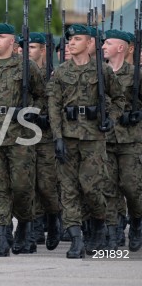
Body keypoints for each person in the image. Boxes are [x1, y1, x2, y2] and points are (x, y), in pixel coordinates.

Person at [47, 24, 125, 258]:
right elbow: (54, 107)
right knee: (68, 190)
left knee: (91, 188)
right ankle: (76, 239)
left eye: (77, 39)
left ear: (90, 44)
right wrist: (57, 137)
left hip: (93, 137)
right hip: (68, 137)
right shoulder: (60, 72)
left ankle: (99, 225)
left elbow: (119, 99)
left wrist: (110, 119)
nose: (71, 43)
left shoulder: (103, 71)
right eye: (69, 40)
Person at [0, 23, 45, 257]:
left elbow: (43, 96)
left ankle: (24, 225)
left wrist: (30, 113)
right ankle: (2, 236)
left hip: (20, 136)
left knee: (22, 187)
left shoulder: (27, 67)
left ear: (13, 42)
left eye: (1, 37)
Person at [102, 29, 142, 252]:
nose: (103, 46)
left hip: (131, 139)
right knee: (109, 187)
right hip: (105, 138)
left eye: (108, 43)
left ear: (121, 47)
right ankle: (114, 228)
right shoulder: (99, 73)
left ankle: (136, 220)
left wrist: (138, 114)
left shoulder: (136, 74)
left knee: (131, 186)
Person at [27, 32, 61, 249]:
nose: (26, 51)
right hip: (26, 134)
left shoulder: (54, 73)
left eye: (31, 47)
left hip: (47, 135)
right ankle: (35, 227)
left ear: (43, 50)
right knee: (29, 183)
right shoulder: (22, 72)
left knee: (47, 184)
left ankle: (53, 218)